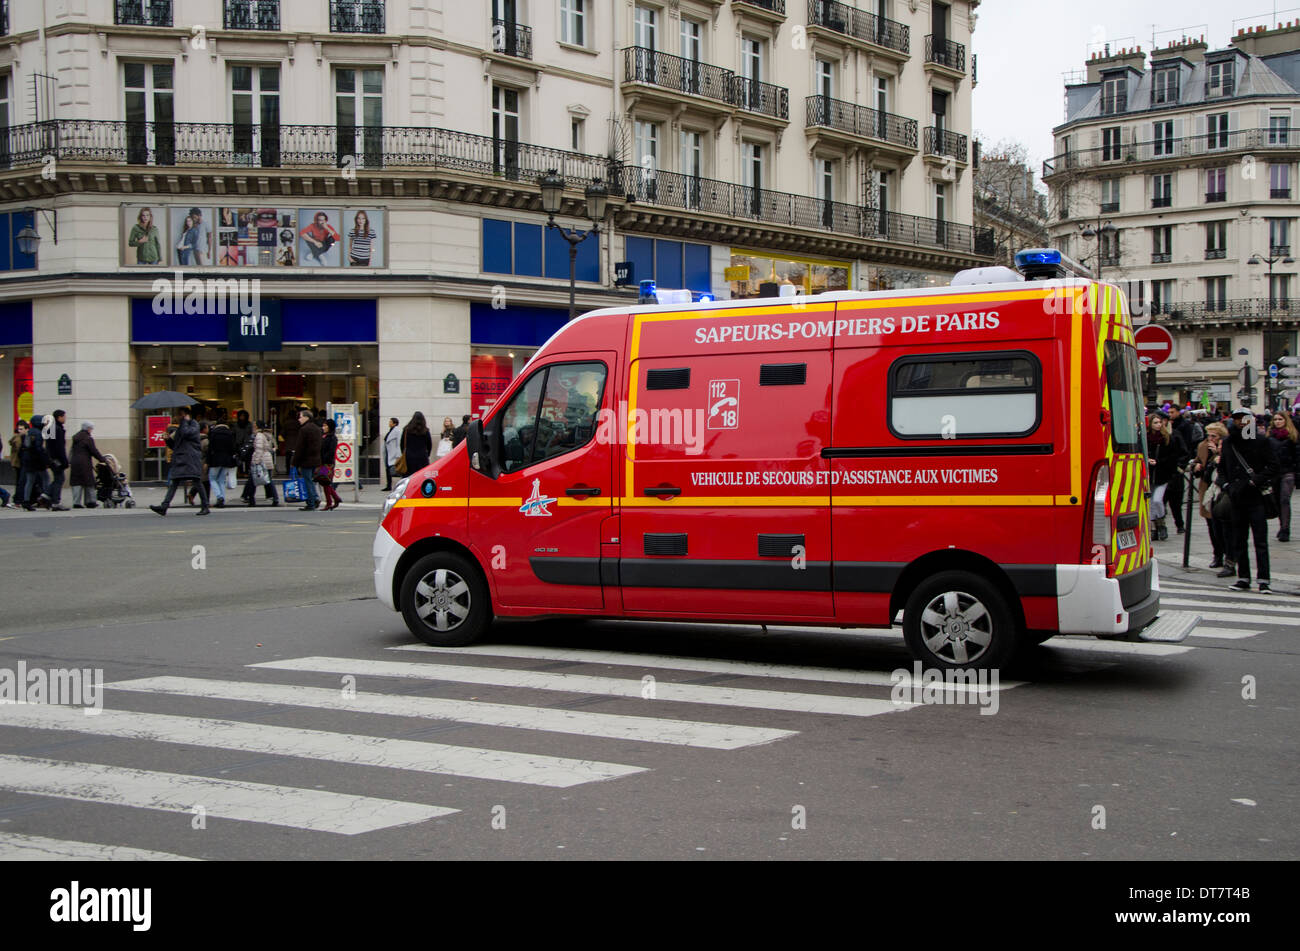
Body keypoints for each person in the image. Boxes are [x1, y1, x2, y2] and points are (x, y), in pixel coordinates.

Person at [1218, 409, 1279, 593]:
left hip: (1255, 497)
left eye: (1244, 419)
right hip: (1236, 497)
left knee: (1260, 540)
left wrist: (1255, 481)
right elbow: (1222, 469)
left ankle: (1264, 579)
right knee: (1239, 539)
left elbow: (1274, 466)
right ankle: (1243, 577)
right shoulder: (1229, 442)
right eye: (1237, 419)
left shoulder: (1261, 441)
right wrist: (1226, 485)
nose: (1241, 423)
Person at [150, 407, 210, 516]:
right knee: (174, 482)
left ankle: (205, 506)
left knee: (197, 481)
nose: (178, 416)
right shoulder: (181, 427)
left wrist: (186, 421)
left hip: (191, 458)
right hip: (181, 458)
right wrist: (168, 440)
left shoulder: (193, 424)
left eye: (180, 414)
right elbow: (176, 445)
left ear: (186, 415)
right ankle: (164, 506)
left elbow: (187, 434)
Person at [1194, 422, 1232, 574]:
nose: (1210, 439)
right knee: (1211, 525)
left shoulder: (1226, 447)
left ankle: (1227, 556)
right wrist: (1196, 465)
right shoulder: (1203, 446)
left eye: (1213, 436)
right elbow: (1197, 460)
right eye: (1208, 435)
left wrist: (1217, 453)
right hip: (1206, 488)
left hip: (1221, 491)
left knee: (1223, 526)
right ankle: (1217, 555)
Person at [1146, 413, 1184, 541]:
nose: (1158, 425)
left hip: (1163, 475)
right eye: (1155, 423)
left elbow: (1173, 457)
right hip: (1149, 475)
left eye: (1159, 422)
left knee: (1157, 500)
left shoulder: (1167, 438)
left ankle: (1161, 524)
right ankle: (1154, 528)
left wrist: (1158, 462)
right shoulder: (1145, 438)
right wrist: (1147, 460)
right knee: (1150, 503)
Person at [1165, 405, 1196, 534]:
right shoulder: (1159, 435)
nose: (1171, 415)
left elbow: (1186, 448)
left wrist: (1180, 466)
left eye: (1172, 412)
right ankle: (1160, 526)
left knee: (1175, 501)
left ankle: (1180, 524)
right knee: (1160, 501)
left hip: (1175, 471)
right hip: (1164, 472)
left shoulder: (1181, 429)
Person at [1269, 411, 1297, 543]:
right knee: (1277, 501)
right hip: (1274, 473)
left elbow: (1297, 456)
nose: (1278, 421)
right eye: (1275, 419)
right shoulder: (1270, 437)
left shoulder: (1292, 436)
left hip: (1288, 472)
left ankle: (1286, 529)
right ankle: (1282, 526)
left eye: (1280, 419)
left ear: (1285, 420)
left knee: (1285, 499)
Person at [69, 421, 107, 509]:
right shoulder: (88, 438)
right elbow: (94, 451)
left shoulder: (75, 437)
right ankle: (90, 501)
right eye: (91, 428)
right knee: (89, 482)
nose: (92, 430)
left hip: (75, 462)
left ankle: (76, 502)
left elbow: (71, 451)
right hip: (84, 463)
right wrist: (102, 459)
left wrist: (70, 461)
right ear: (88, 428)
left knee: (76, 483)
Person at [242, 420, 280, 507]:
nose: (253, 427)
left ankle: (251, 500)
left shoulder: (259, 435)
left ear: (257, 426)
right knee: (269, 481)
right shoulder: (267, 435)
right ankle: (275, 498)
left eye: (254, 425)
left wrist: (256, 461)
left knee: (253, 481)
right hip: (267, 460)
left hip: (261, 460)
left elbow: (259, 449)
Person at [38, 410, 71, 511]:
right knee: (59, 479)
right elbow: (59, 447)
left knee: (58, 478)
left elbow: (50, 446)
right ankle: (54, 501)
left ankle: (46, 496)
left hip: (51, 458)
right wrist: (64, 461)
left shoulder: (51, 429)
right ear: (59, 417)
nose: (65, 418)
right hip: (56, 459)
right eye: (64, 417)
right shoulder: (57, 429)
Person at [292, 408, 323, 511]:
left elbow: (300, 447)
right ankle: (315, 498)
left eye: (300, 417)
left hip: (306, 460)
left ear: (306, 417)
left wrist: (294, 462)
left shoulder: (304, 429)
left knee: (308, 481)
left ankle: (311, 502)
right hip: (316, 459)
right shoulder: (318, 428)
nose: (299, 419)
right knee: (312, 480)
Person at [21, 415, 51, 510]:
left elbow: (25, 446)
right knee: (46, 478)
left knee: (29, 481)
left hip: (28, 459)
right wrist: (45, 460)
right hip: (37, 461)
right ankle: (47, 498)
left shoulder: (29, 432)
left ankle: (26, 501)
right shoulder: (38, 433)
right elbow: (39, 449)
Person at [206, 414, 237, 508]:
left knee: (212, 478)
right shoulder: (230, 433)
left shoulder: (213, 433)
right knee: (221, 480)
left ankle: (219, 497)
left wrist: (208, 461)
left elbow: (210, 448)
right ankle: (222, 499)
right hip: (227, 459)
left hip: (215, 459)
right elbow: (233, 448)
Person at [317, 418, 343, 511]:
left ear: (330, 427)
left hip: (327, 464)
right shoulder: (325, 436)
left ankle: (330, 502)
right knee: (325, 482)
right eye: (323, 425)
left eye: (325, 425)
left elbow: (331, 451)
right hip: (324, 463)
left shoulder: (332, 438)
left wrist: (324, 460)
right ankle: (336, 498)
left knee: (325, 482)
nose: (323, 427)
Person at [9, 421, 28, 504]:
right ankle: (18, 499)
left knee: (20, 481)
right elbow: (19, 449)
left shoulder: (18, 437)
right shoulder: (18, 438)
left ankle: (18, 498)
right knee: (21, 481)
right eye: (19, 429)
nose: (20, 430)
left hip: (17, 462)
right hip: (19, 462)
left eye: (21, 429)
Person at [383, 417, 401, 491]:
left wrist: (398, 455)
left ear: (394, 423)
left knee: (395, 470)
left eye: (390, 422)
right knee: (388, 469)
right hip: (388, 453)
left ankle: (398, 485)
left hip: (393, 453)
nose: (389, 423)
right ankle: (388, 485)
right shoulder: (390, 431)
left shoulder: (397, 431)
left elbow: (399, 443)